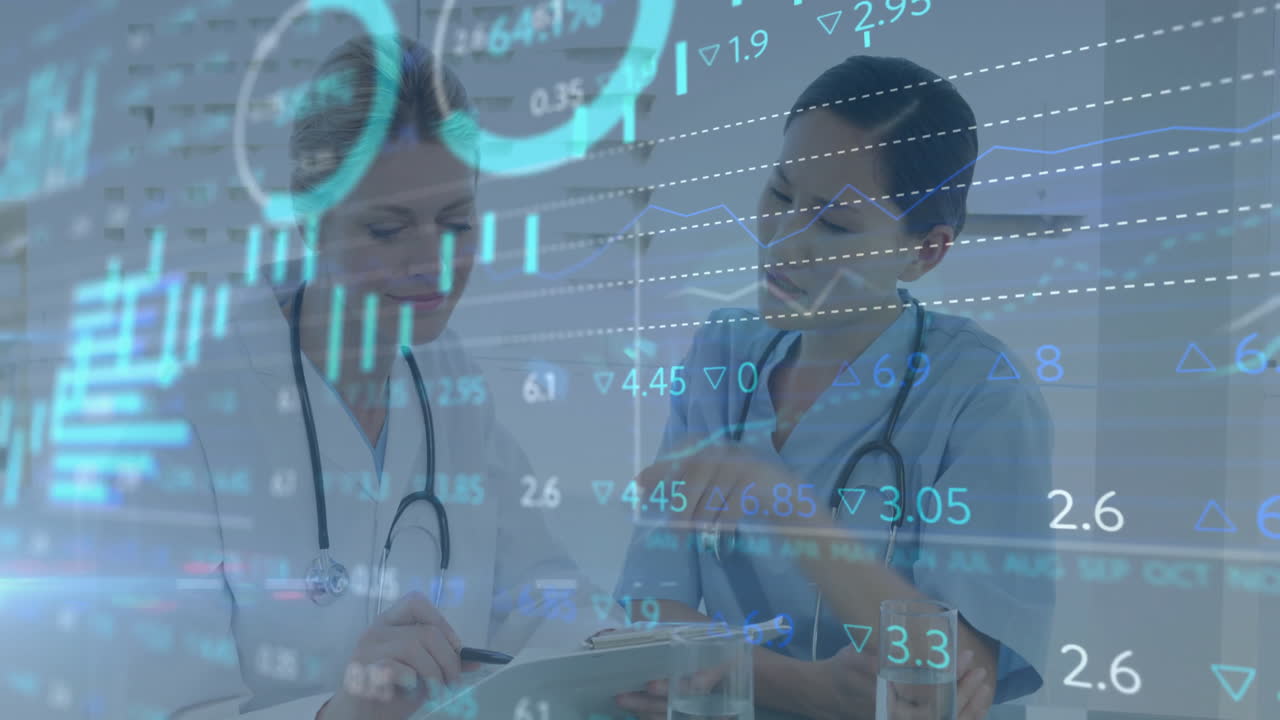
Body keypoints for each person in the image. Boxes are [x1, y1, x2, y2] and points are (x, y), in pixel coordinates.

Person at [37, 34, 611, 720]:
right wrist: (341, 712)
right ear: (309, 217)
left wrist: (621, 656)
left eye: (456, 223)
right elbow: (165, 703)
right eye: (387, 230)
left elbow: (542, 591)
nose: (433, 264)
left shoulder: (448, 376)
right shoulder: (186, 402)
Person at [613, 56, 1055, 720]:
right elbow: (646, 617)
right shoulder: (724, 352)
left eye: (835, 224)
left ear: (924, 251)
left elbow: (942, 688)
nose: (784, 243)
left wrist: (790, 511)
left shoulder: (981, 394)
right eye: (781, 194)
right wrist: (810, 690)